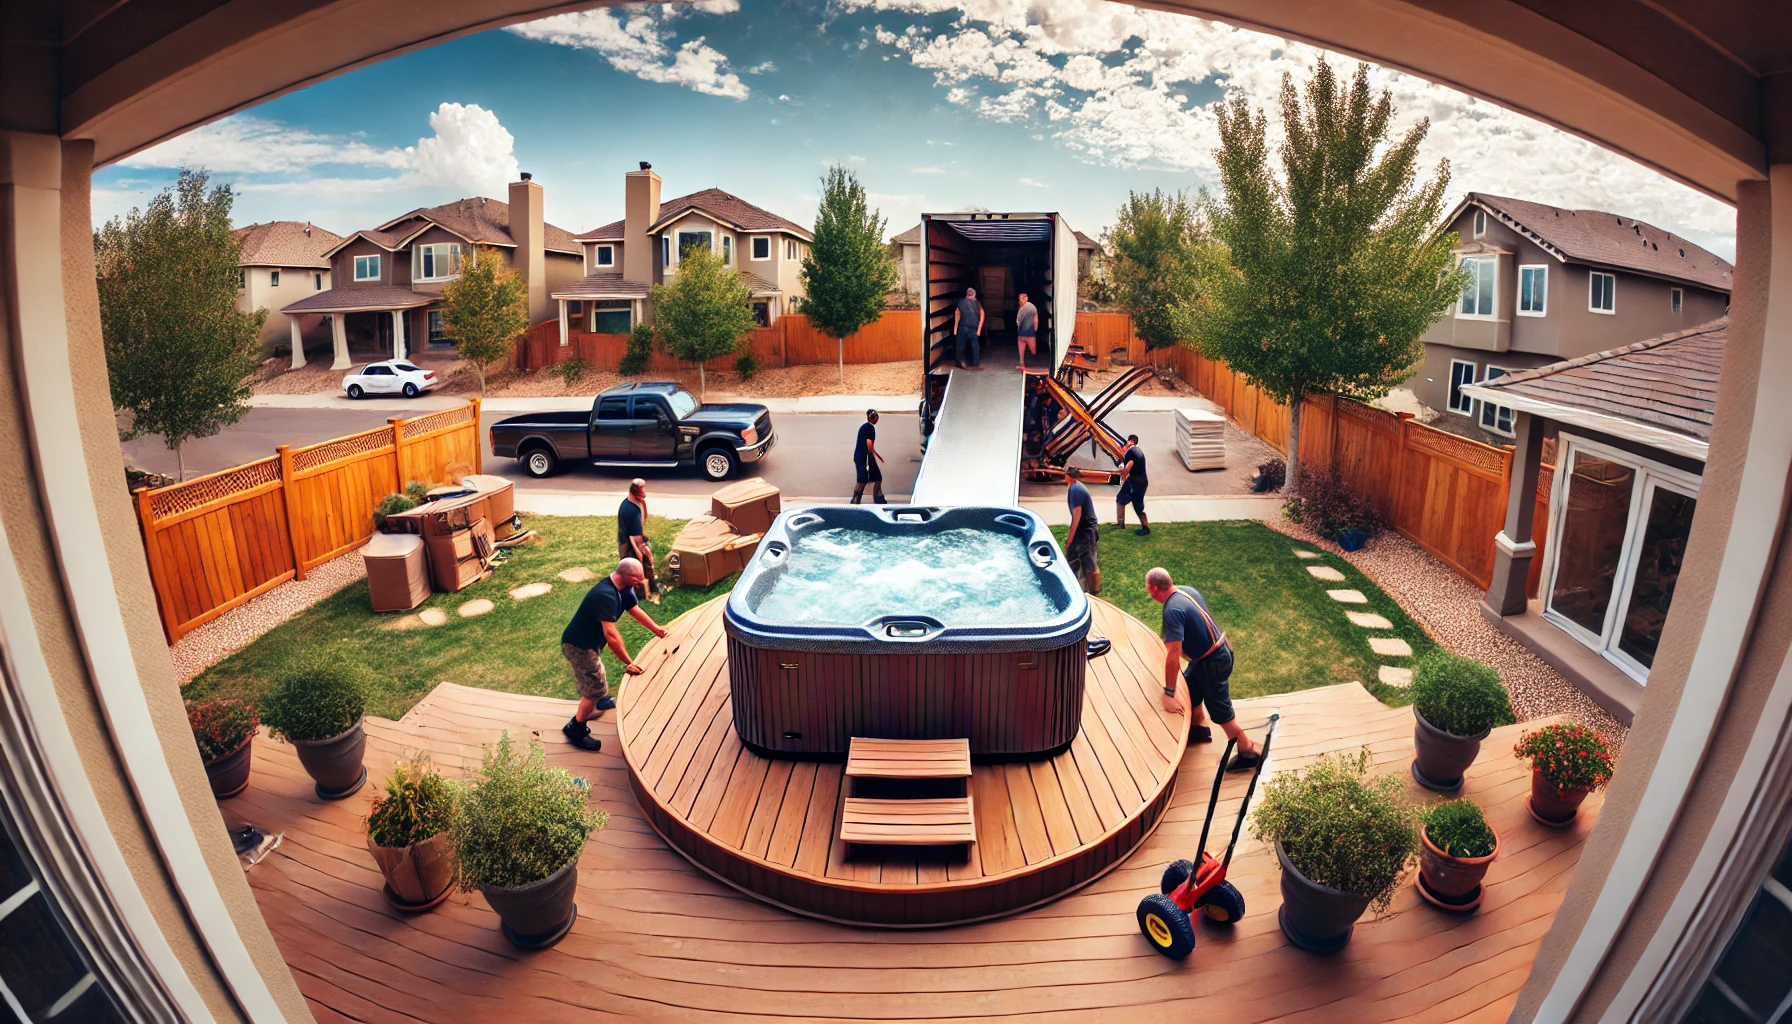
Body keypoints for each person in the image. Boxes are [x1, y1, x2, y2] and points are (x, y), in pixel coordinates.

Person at [1148, 566, 1261, 770]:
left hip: (1213, 662)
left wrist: (1169, 692)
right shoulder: (1184, 591)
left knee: (1219, 710)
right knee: (1190, 689)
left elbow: (1174, 654)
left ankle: (1248, 750)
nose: (1149, 594)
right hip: (1213, 653)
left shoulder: (1172, 610)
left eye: (1149, 590)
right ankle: (1199, 730)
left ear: (1155, 589)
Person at [560, 558, 668, 752]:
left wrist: (656, 629)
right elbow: (611, 635)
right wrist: (629, 662)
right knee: (594, 685)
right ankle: (575, 728)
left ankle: (599, 700)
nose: (640, 583)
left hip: (590, 643)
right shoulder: (606, 595)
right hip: (579, 646)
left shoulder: (624, 587)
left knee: (597, 673)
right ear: (625, 575)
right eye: (637, 579)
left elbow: (634, 609)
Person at [617, 479, 659, 603]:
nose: (644, 493)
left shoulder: (634, 503)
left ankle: (652, 586)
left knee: (645, 564)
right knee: (635, 568)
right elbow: (635, 540)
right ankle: (639, 595)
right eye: (642, 490)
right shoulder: (631, 511)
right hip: (629, 543)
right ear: (635, 492)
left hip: (635, 539)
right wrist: (645, 554)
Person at [1064, 466, 1100, 594]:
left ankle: (1093, 593)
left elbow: (1077, 514)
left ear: (1069, 476)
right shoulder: (1074, 487)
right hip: (1081, 528)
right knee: (1071, 554)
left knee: (1088, 561)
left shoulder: (1076, 490)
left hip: (1086, 530)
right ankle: (1073, 588)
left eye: (1065, 474)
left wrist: (1070, 537)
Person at [1113, 434, 1150, 535]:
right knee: (1120, 499)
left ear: (1132, 441)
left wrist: (1123, 478)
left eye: (1128, 441)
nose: (1126, 444)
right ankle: (1120, 524)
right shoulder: (1137, 451)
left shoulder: (1132, 451)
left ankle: (1145, 527)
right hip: (1135, 480)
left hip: (1137, 483)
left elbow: (1129, 465)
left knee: (1137, 506)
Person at [851, 409, 886, 504]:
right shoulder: (869, 428)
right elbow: (869, 444)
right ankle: (855, 501)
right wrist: (876, 455)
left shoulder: (866, 427)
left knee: (877, 477)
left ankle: (878, 498)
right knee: (862, 480)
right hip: (863, 457)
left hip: (866, 456)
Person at [951, 286, 984, 370]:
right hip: (962, 327)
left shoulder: (977, 303)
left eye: (971, 293)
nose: (970, 294)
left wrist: (979, 330)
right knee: (961, 346)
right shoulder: (961, 302)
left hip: (973, 328)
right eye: (969, 292)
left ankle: (975, 363)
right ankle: (961, 362)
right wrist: (955, 328)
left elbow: (982, 315)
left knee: (975, 346)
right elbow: (957, 314)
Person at [1014, 291, 1038, 371]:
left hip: (1022, 332)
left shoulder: (1022, 308)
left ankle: (1024, 364)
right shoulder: (1032, 307)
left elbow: (1018, 321)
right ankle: (1026, 364)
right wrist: (1035, 330)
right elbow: (1035, 320)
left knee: (1023, 349)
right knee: (1032, 350)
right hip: (1029, 332)